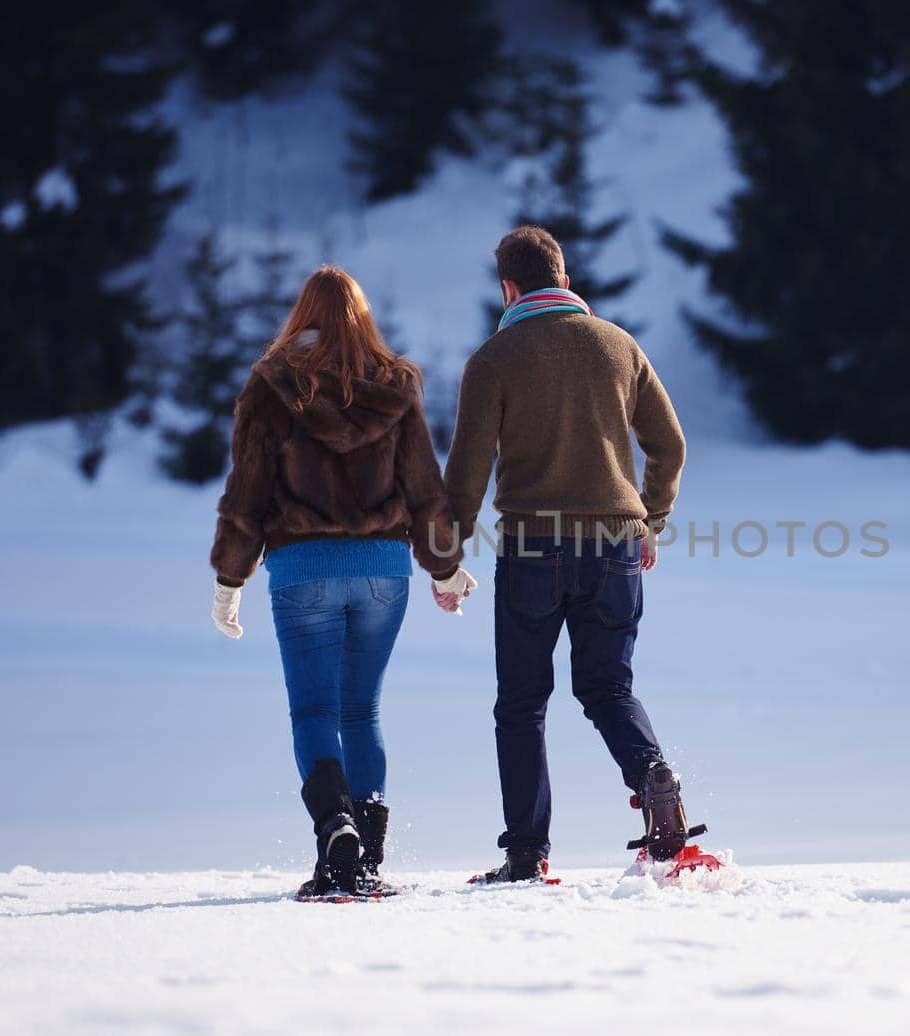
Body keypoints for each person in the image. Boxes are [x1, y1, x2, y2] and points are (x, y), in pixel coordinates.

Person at [208, 265, 476, 898]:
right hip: (383, 572)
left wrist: (229, 577)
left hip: (302, 571)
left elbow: (246, 492)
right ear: (363, 317)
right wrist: (445, 565)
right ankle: (369, 858)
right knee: (362, 711)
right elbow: (423, 488)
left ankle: (336, 831)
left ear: (301, 315)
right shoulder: (397, 384)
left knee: (313, 711)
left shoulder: (271, 386)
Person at [442, 225, 693, 883]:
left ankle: (527, 854)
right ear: (565, 279)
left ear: (508, 287)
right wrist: (651, 520)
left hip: (532, 549)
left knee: (523, 702)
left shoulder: (494, 359)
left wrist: (444, 559)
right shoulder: (618, 345)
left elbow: (465, 476)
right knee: (609, 686)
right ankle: (654, 775)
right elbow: (670, 445)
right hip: (614, 546)